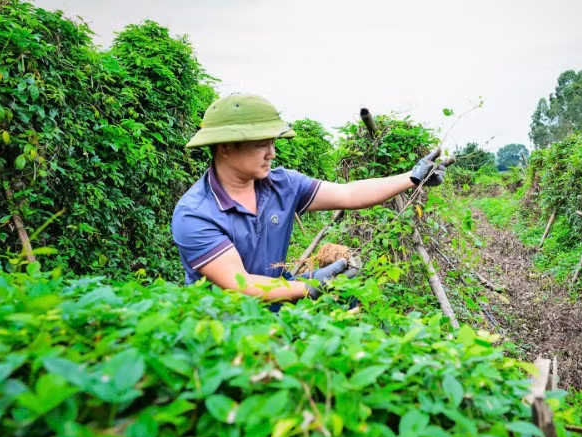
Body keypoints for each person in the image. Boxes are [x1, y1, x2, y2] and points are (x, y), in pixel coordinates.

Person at [172, 93, 449, 307]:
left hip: (279, 314)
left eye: (273, 143)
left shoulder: (282, 185)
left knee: (350, 302)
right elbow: (240, 284)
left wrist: (411, 178)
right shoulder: (196, 213)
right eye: (261, 144)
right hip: (224, 327)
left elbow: (348, 193)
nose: (272, 153)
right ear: (226, 148)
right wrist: (309, 287)